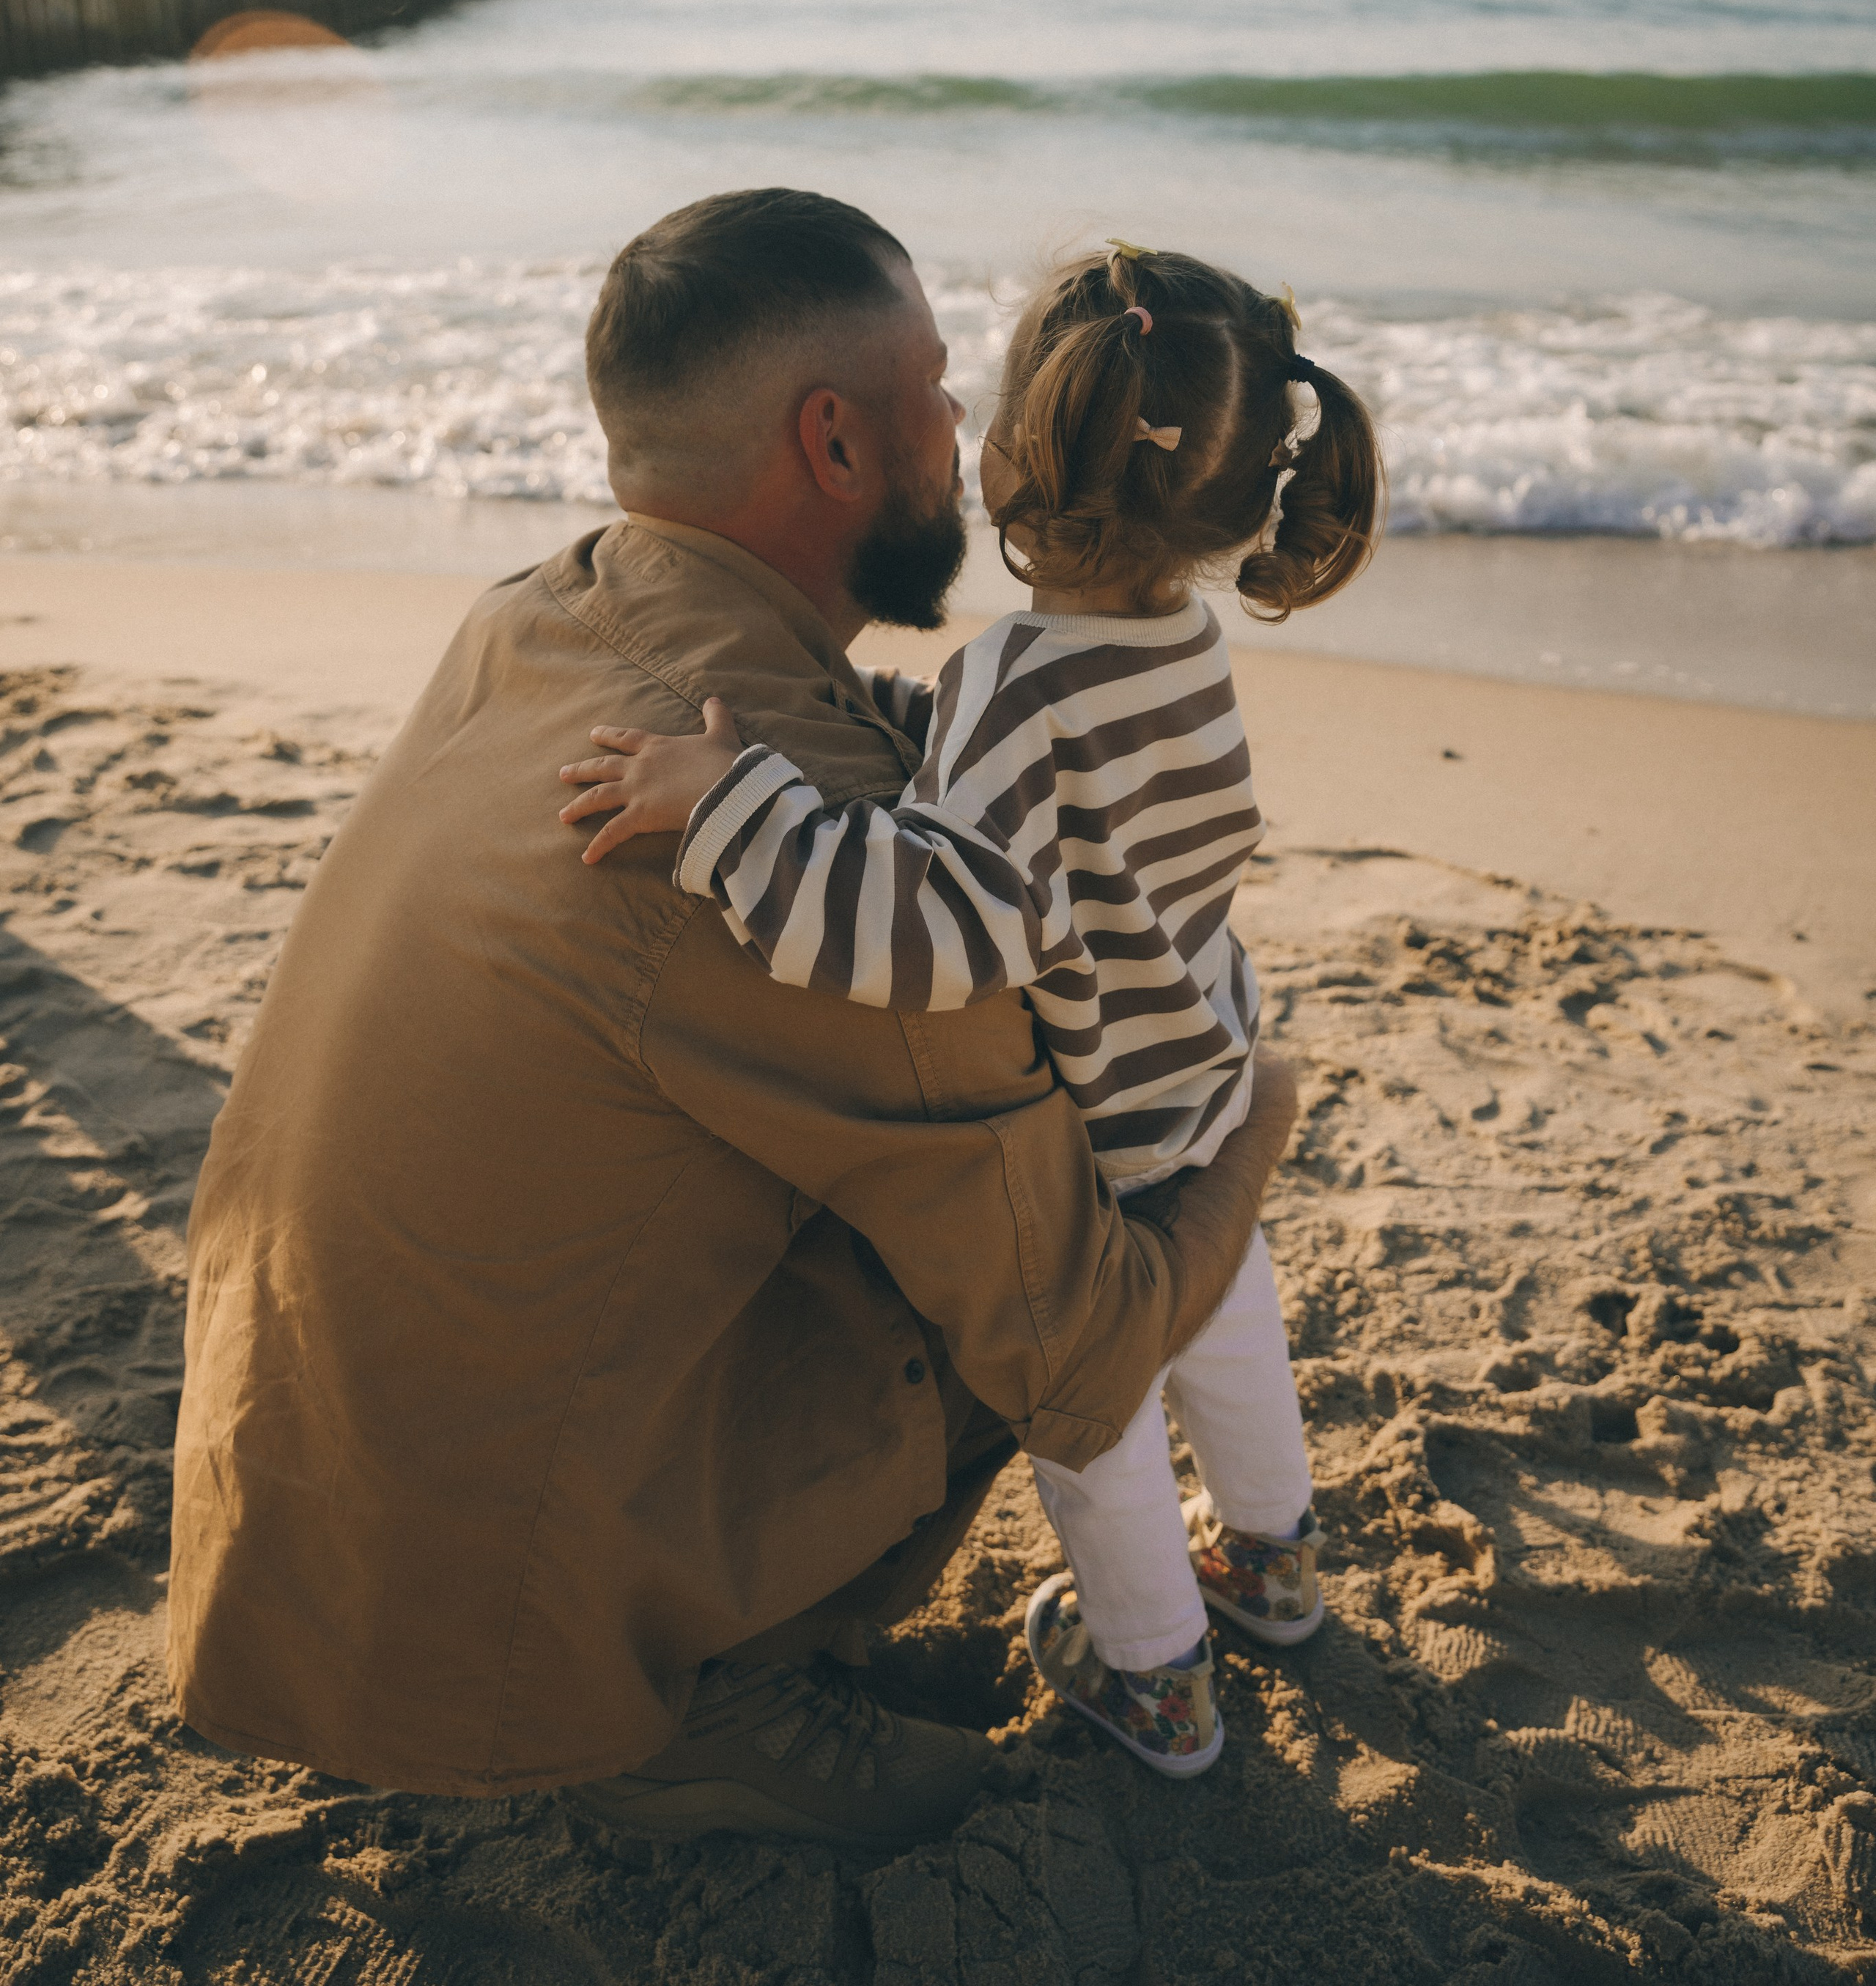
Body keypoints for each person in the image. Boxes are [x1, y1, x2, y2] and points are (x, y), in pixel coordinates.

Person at [168, 189, 1299, 1858]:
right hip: (480, 1631)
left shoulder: (546, 609)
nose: (968, 424)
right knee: (1058, 1204)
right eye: (935, 384)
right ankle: (701, 1714)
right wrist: (1258, 1111)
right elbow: (1079, 1341)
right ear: (834, 442)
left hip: (311, 1496)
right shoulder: (774, 847)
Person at [558, 242, 1381, 1779]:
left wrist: (732, 807)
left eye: (979, 395)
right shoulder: (1172, 645)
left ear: (1022, 452)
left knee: (1098, 1400)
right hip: (1196, 1056)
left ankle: (1153, 1678)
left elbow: (935, 921)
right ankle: (1272, 1562)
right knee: (1227, 1317)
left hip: (1107, 1129)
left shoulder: (1018, 675)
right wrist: (881, 728)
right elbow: (1033, 798)